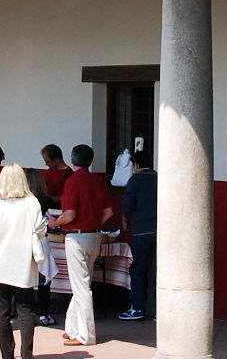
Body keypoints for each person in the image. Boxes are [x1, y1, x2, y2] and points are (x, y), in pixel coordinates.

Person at [0, 164, 47, 359]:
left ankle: (7, 358)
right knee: (26, 312)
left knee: (2, 313)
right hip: (23, 264)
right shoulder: (32, 202)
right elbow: (40, 230)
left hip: (0, 264)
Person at [55, 143, 112, 346]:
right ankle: (72, 328)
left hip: (76, 237)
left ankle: (85, 334)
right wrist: (93, 223)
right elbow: (108, 212)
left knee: (80, 287)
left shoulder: (72, 182)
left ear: (72, 160)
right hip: (94, 235)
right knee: (82, 283)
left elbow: (69, 215)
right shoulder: (98, 181)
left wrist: (56, 222)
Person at [118, 148, 157, 321]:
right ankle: (157, 309)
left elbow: (128, 203)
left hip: (142, 230)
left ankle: (137, 307)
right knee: (157, 269)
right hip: (161, 229)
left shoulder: (135, 180)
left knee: (138, 268)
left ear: (136, 165)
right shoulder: (159, 178)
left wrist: (125, 219)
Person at [29, 151, 63, 326]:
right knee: (44, 279)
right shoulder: (43, 199)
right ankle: (43, 314)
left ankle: (23, 312)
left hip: (23, 242)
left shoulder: (21, 200)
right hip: (41, 241)